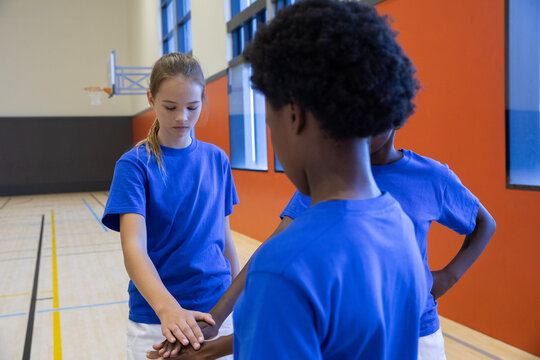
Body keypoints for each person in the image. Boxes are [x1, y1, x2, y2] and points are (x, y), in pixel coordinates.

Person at [281, 127, 496, 360]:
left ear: (395, 116)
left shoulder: (430, 176)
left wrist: (448, 276)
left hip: (418, 333)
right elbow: (277, 246)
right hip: (352, 335)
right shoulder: (328, 177)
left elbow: (484, 223)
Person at [102, 52, 240, 360]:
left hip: (217, 314)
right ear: (151, 99)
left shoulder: (217, 159)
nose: (182, 117)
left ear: (203, 99)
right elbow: (134, 248)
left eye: (192, 107)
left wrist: (236, 300)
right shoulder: (134, 165)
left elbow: (224, 239)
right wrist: (169, 310)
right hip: (156, 319)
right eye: (170, 107)